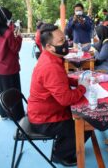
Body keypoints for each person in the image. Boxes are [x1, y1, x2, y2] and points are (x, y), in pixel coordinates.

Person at [28, 23, 91, 167]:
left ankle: (63, 144)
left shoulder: (50, 57)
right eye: (61, 41)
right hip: (45, 119)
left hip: (44, 111)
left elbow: (61, 80)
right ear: (49, 46)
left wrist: (77, 81)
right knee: (86, 125)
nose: (66, 43)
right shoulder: (50, 66)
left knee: (83, 115)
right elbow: (66, 99)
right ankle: (60, 154)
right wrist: (83, 88)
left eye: (65, 38)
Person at [0, 7, 24, 121]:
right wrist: (19, 37)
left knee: (1, 90)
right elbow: (15, 48)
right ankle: (16, 114)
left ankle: (4, 113)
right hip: (9, 66)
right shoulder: (7, 33)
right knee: (13, 89)